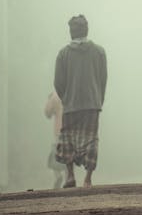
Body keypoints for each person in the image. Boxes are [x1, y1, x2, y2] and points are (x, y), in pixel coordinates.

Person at [54, 15, 107, 188]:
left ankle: (70, 175)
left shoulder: (63, 54)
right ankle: (88, 179)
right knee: (91, 139)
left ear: (71, 32)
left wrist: (67, 98)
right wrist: (99, 99)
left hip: (71, 105)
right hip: (92, 104)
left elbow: (58, 83)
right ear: (87, 30)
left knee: (68, 138)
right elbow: (103, 79)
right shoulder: (99, 52)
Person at [44, 90, 66, 188]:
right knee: (69, 157)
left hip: (59, 131)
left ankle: (58, 176)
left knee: (55, 156)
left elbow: (47, 112)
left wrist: (50, 99)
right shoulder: (73, 92)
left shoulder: (55, 95)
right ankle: (69, 179)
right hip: (72, 130)